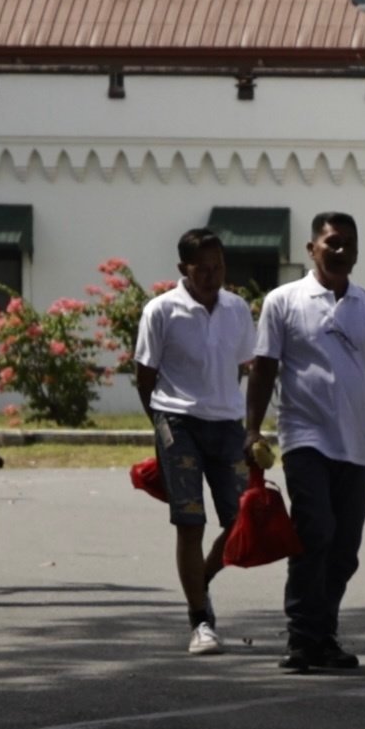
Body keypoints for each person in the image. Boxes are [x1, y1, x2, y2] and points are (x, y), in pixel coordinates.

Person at [246, 212, 365, 673]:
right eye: (331, 242)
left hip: (355, 446)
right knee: (315, 531)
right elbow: (264, 367)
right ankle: (302, 637)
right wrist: (252, 429)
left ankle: (323, 633)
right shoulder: (284, 301)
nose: (340, 250)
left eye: (349, 243)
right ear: (312, 249)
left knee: (344, 549)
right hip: (305, 437)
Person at [133, 226, 256, 653]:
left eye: (218, 266)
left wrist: (246, 425)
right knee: (190, 521)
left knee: (242, 518)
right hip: (178, 421)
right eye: (202, 268)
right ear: (183, 268)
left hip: (227, 423)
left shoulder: (237, 309)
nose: (212, 276)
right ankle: (200, 620)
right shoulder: (161, 311)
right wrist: (162, 427)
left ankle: (199, 580)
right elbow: (144, 376)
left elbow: (246, 366)